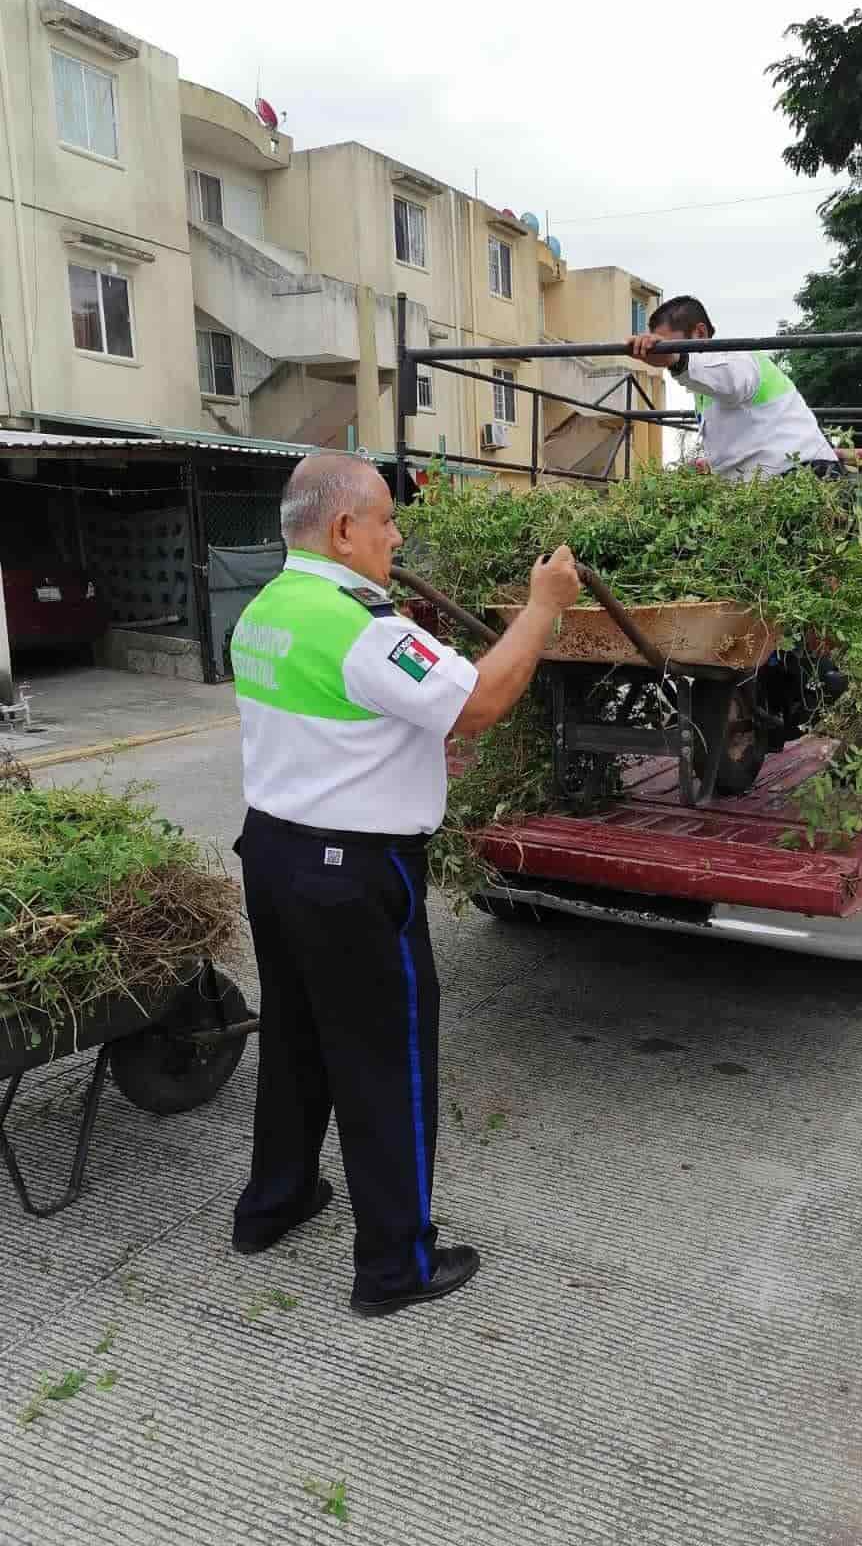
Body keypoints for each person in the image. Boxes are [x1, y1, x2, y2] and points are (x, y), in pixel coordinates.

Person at [228, 452, 580, 1316]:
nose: (397, 534)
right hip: (353, 873)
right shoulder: (361, 624)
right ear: (344, 531)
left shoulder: (269, 606)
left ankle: (272, 1206)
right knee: (386, 1060)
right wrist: (543, 608)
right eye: (386, 519)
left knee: (299, 1037)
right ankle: (396, 1265)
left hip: (273, 854)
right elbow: (480, 703)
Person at [628, 294, 839, 481]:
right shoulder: (701, 386)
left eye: (669, 344)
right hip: (766, 490)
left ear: (699, 333)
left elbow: (730, 378)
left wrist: (675, 357)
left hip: (807, 477)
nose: (663, 355)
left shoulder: (738, 358)